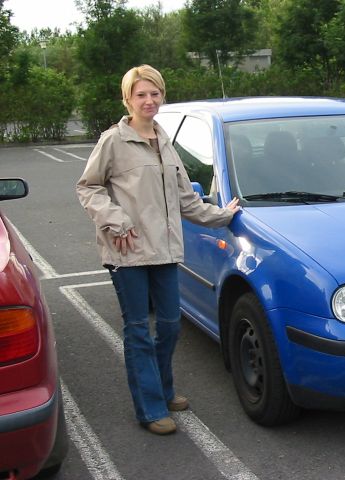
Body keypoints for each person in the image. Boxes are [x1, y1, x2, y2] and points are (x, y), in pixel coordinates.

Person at [76, 65, 240, 435]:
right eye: (141, 95)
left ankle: (164, 390)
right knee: (138, 329)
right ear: (127, 99)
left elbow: (185, 199)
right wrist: (116, 221)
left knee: (169, 326)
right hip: (128, 251)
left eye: (155, 93)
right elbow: (88, 187)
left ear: (162, 95)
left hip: (165, 251)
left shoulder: (164, 140)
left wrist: (222, 216)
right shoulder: (113, 141)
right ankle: (150, 408)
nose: (149, 100)